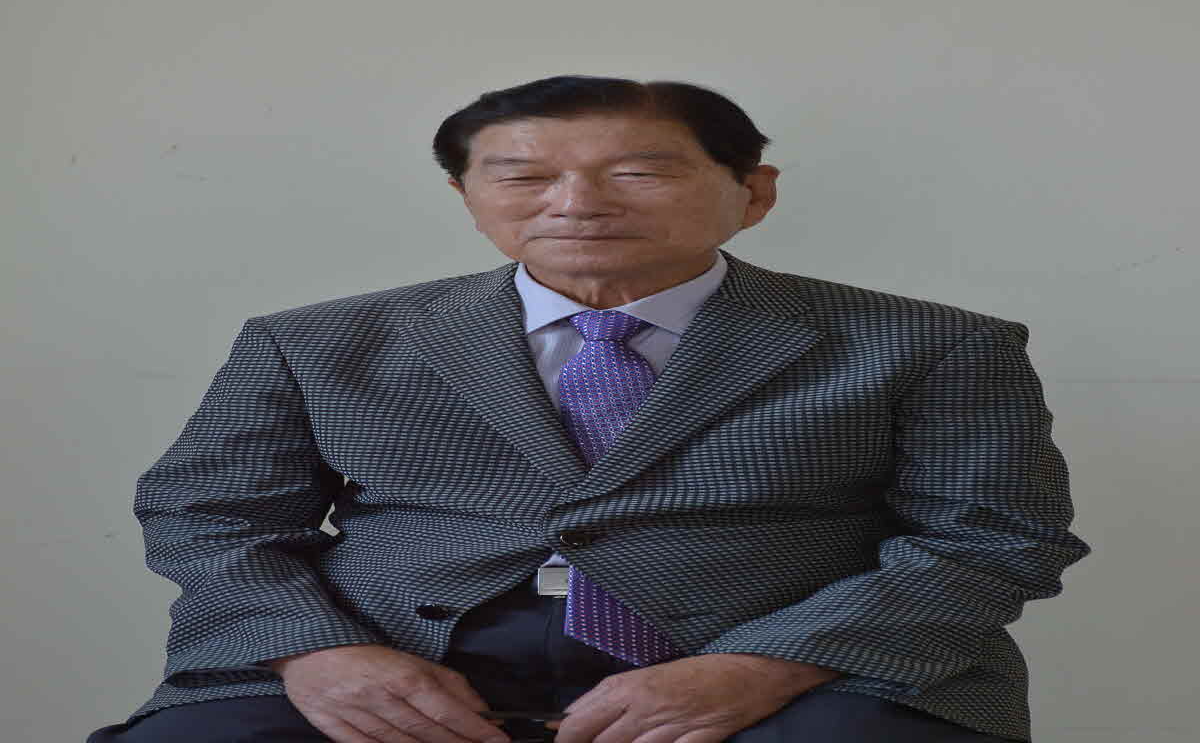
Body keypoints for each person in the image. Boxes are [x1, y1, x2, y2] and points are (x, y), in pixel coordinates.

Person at [87, 75, 1090, 743]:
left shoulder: (931, 343)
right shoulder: (313, 340)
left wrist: (762, 667)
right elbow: (208, 515)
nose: (575, 203)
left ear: (753, 192)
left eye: (639, 172)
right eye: (523, 176)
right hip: (394, 652)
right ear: (468, 196)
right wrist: (320, 653)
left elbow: (991, 538)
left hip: (790, 663)